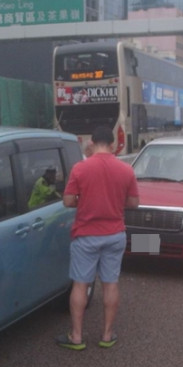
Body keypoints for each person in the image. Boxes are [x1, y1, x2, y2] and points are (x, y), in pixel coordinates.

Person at [56, 126, 140, 350]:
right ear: (112, 144)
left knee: (80, 284)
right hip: (114, 235)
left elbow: (67, 200)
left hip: (86, 235)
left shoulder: (80, 168)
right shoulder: (126, 170)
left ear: (92, 143)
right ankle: (106, 335)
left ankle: (76, 337)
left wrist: (84, 201)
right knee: (111, 284)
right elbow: (133, 203)